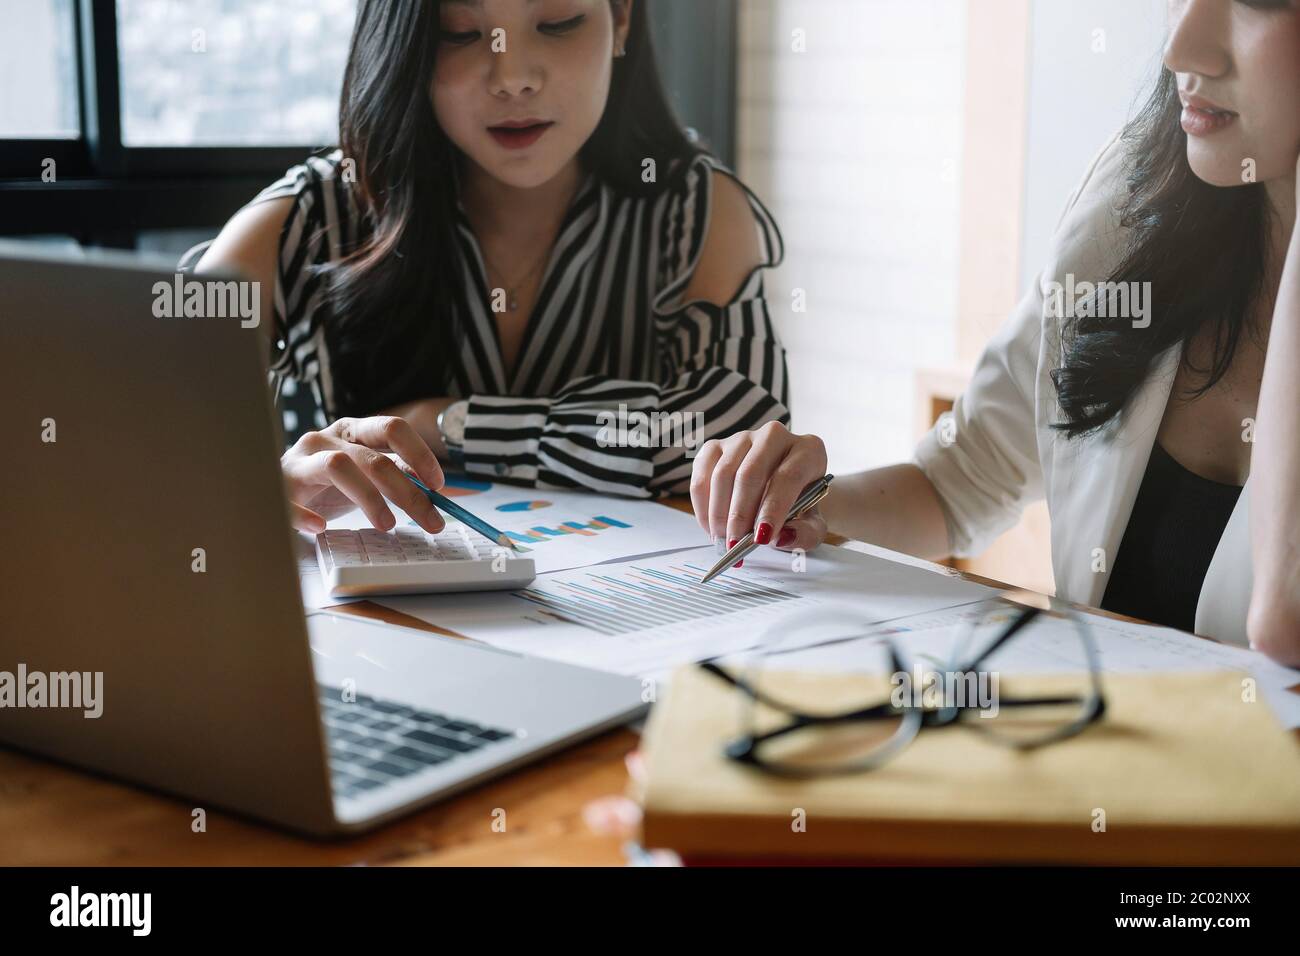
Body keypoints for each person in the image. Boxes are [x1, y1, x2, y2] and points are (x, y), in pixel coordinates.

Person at [692, 0, 1300, 662]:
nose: (1181, 49)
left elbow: (1282, 625)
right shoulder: (1136, 193)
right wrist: (807, 507)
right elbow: (957, 481)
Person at [196, 0, 787, 537]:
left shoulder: (695, 211)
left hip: (641, 639)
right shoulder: (311, 217)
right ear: (409, 46)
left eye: (558, 23)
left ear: (622, 20)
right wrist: (261, 490)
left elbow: (742, 444)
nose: (513, 78)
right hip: (380, 641)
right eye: (460, 34)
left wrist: (446, 423)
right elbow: (146, 455)